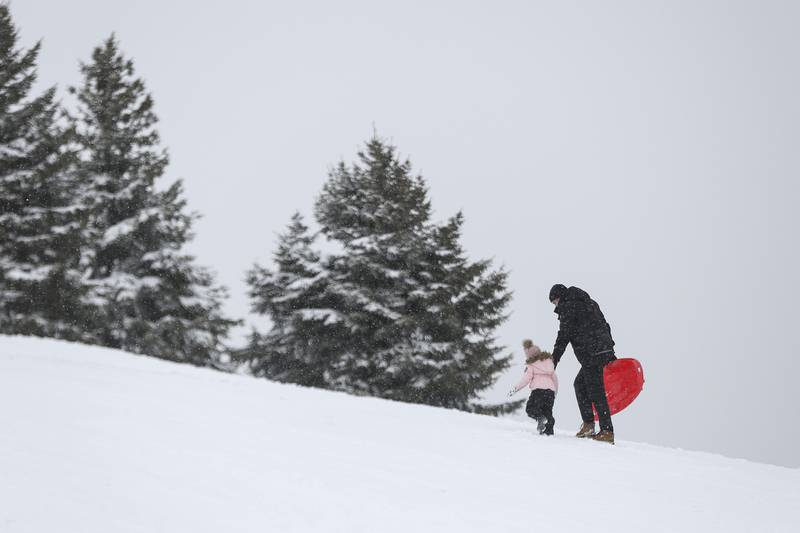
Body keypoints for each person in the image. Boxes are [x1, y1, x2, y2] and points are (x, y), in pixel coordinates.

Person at [549, 284, 617, 444]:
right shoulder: (588, 302)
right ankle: (589, 425)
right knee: (581, 384)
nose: (555, 307)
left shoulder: (569, 306)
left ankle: (607, 431)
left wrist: (554, 360)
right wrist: (609, 351)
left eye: (554, 302)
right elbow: (604, 325)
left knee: (595, 390)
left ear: (559, 297)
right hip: (601, 351)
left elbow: (563, 336)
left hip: (592, 353)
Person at [508, 340, 558, 435]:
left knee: (530, 409)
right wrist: (555, 392)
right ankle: (548, 431)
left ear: (530, 356)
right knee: (547, 411)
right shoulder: (549, 362)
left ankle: (541, 418)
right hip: (550, 392)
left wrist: (515, 389)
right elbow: (555, 379)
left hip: (538, 391)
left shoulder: (531, 365)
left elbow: (526, 379)